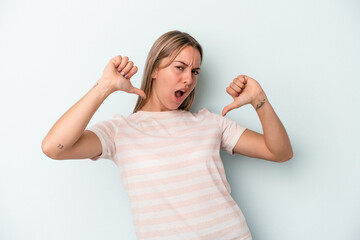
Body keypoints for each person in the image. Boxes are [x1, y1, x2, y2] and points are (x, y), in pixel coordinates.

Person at [42, 30, 293, 240]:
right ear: (154, 70)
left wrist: (260, 100)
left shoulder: (210, 123)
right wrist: (104, 87)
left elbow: (280, 152)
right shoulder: (120, 132)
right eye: (180, 68)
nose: (188, 79)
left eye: (195, 72)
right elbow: (54, 147)